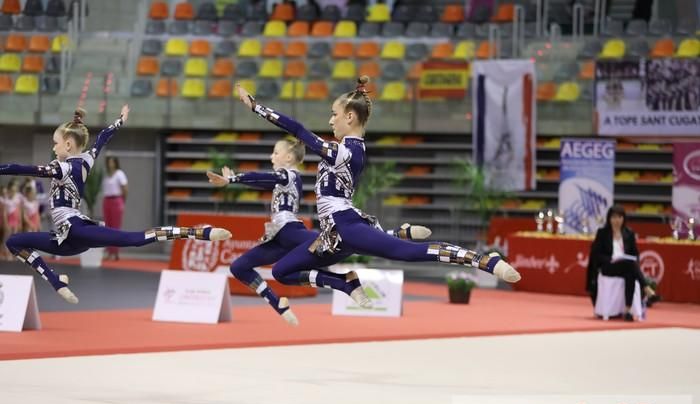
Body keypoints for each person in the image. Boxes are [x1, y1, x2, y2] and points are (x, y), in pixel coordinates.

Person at [233, 78, 520, 304]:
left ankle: (482, 260)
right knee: (282, 272)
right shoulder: (346, 150)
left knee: (407, 254)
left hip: (345, 227)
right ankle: (350, 279)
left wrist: (257, 107)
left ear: (349, 117)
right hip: (333, 235)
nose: (330, 121)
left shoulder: (343, 152)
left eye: (334, 115)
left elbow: (298, 129)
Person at [1, 105, 231, 304]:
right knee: (13, 242)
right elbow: (103, 138)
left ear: (69, 145)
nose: (54, 148)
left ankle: (200, 232)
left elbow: (19, 169)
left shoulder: (62, 168)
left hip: (76, 231)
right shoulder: (86, 160)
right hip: (64, 239)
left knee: (134, 239)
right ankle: (55, 280)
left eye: (56, 143)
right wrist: (120, 120)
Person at [207, 137, 433, 326]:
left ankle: (392, 236)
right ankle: (277, 302)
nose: (271, 157)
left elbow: (269, 178)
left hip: (291, 232)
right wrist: (235, 181)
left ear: (288, 157)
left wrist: (234, 179)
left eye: (275, 153)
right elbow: (264, 183)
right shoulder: (282, 178)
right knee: (239, 267)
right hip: (278, 236)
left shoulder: (289, 174)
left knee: (344, 240)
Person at [586, 205, 659, 321]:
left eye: (620, 217)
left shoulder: (629, 233)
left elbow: (635, 254)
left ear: (623, 219)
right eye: (614, 217)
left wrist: (628, 258)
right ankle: (646, 288)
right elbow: (596, 255)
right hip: (608, 266)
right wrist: (611, 258)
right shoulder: (602, 233)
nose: (617, 220)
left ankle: (627, 310)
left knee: (630, 272)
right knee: (630, 266)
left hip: (625, 266)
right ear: (609, 219)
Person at [102, 156, 128, 260]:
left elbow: (125, 189)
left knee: (115, 228)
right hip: (107, 200)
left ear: (116, 163)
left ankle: (115, 252)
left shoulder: (119, 174)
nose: (110, 164)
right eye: (109, 162)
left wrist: (122, 201)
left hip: (116, 200)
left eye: (112, 162)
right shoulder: (107, 175)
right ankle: (109, 251)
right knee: (108, 227)